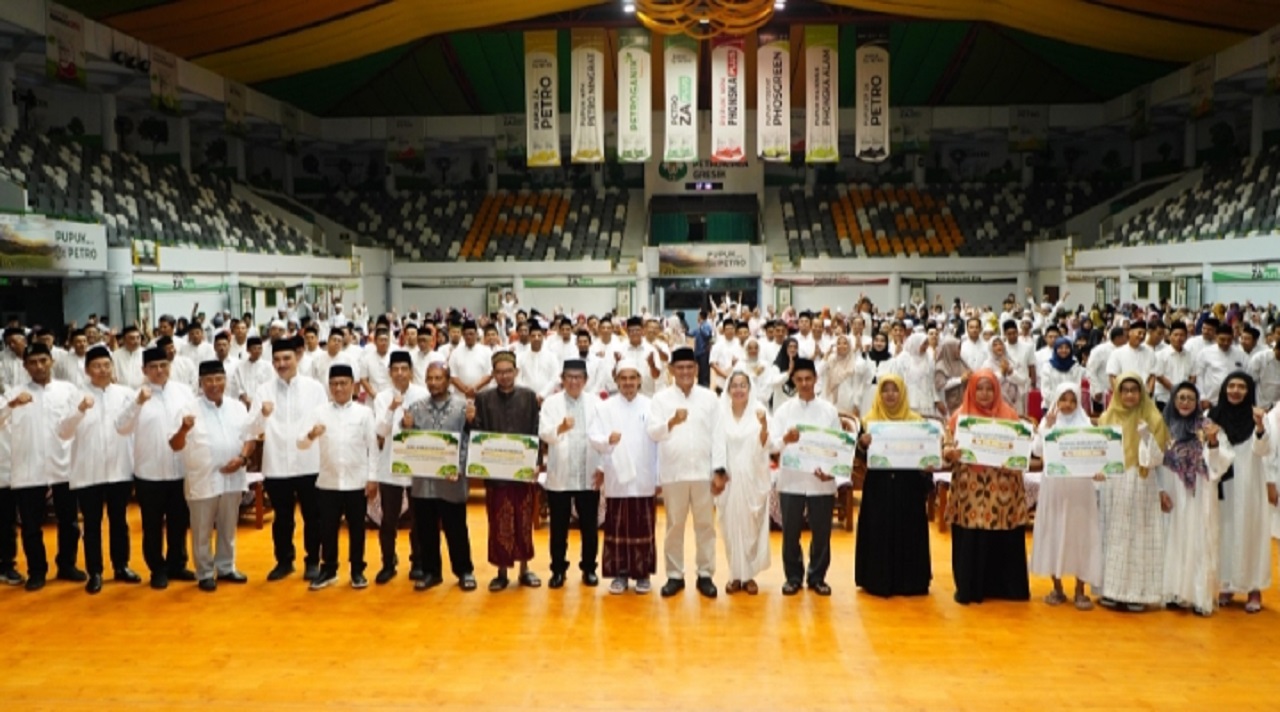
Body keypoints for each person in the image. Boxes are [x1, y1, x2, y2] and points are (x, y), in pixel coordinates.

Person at [1, 342, 85, 591]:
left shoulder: (68, 390)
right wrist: (11, 405)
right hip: (29, 470)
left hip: (63, 467)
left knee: (69, 521)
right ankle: (37, 570)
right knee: (30, 525)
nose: (38, 366)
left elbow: (78, 423)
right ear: (25, 366)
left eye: (43, 360)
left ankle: (67, 564)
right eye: (33, 362)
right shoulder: (12, 393)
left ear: (52, 361)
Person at [943, 369, 1030, 604]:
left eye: (989, 388)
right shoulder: (959, 417)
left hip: (1003, 487)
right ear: (971, 390)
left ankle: (1006, 587)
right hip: (970, 486)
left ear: (996, 390)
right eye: (979, 388)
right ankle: (971, 587)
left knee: (1004, 534)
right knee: (972, 535)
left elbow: (1022, 450)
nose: (984, 394)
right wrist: (950, 453)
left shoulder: (1010, 416)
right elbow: (946, 449)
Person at [59, 345, 140, 594]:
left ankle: (121, 566)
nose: (102, 370)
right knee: (92, 524)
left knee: (119, 520)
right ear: (87, 370)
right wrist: (80, 409)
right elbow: (63, 431)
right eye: (97, 366)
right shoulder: (75, 396)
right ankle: (95, 571)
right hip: (88, 470)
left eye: (106, 365)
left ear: (112, 367)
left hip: (119, 467)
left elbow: (132, 428)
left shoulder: (126, 394)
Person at [116, 346, 197, 589]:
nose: (159, 371)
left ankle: (177, 564)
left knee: (178, 521)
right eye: (153, 367)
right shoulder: (134, 395)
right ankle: (157, 568)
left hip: (180, 469)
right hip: (149, 472)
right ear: (144, 370)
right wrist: (137, 403)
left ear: (169, 366)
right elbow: (122, 427)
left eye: (163, 366)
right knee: (152, 525)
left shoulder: (184, 392)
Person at [170, 361, 255, 592]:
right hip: (203, 479)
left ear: (225, 380)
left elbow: (250, 438)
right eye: (209, 380)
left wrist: (242, 458)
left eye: (219, 379)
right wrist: (184, 430)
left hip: (233, 477)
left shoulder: (238, 407)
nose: (214, 385)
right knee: (201, 530)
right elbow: (175, 445)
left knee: (228, 527)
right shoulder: (188, 408)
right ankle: (205, 572)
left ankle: (226, 567)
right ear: (200, 383)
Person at [250, 336, 329, 582]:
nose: (282, 363)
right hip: (276, 464)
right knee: (282, 518)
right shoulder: (263, 390)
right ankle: (284, 561)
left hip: (309, 462)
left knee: (312, 516)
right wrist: (262, 415)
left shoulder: (314, 388)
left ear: (298, 357)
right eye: (277, 359)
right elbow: (252, 429)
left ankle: (313, 561)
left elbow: (322, 423)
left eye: (287, 358)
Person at [647, 347, 720, 599]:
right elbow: (653, 432)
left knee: (706, 526)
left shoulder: (710, 399)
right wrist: (671, 422)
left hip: (703, 473)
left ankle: (705, 574)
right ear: (671, 371)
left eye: (690, 367)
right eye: (680, 368)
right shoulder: (661, 399)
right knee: (674, 526)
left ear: (697, 369)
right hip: (674, 472)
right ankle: (675, 575)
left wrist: (719, 469)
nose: (686, 372)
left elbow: (718, 437)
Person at [1096, 372, 1171, 612]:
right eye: (1124, 390)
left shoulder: (1153, 417)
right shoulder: (1107, 417)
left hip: (1140, 480)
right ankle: (1111, 590)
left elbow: (1157, 459)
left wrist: (1147, 436)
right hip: (1113, 482)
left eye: (1134, 390)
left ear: (1142, 392)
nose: (1129, 395)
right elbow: (1099, 452)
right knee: (1113, 532)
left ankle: (1137, 593)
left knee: (1138, 534)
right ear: (1117, 392)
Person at [298, 364, 378, 590]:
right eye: (334, 384)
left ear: (353, 386)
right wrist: (311, 434)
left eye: (343, 383)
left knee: (357, 529)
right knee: (328, 528)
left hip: (357, 481)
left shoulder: (364, 413)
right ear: (328, 386)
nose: (338, 388)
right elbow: (300, 443)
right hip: (328, 481)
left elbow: (373, 448)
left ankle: (357, 571)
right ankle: (329, 569)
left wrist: (373, 479)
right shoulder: (319, 412)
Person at [773, 357, 846, 596]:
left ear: (816, 380)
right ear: (793, 381)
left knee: (822, 532)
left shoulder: (829, 411)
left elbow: (840, 447)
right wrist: (786, 439)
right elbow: (773, 445)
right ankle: (793, 577)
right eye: (799, 379)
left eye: (808, 379)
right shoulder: (784, 411)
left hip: (821, 481)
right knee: (790, 532)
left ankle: (817, 576)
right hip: (792, 479)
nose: (804, 383)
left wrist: (832, 471)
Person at [855, 373, 933, 597]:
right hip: (879, 488)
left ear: (903, 392)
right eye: (885, 390)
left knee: (909, 531)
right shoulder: (869, 421)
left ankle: (911, 582)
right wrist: (862, 444)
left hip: (908, 487)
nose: (890, 395)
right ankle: (877, 580)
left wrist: (928, 463)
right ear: (879, 394)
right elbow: (859, 459)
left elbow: (927, 456)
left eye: (895, 389)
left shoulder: (917, 422)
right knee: (879, 531)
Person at [470, 351, 542, 592]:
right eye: (499, 372)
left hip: (522, 472)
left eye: (508, 371)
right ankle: (501, 572)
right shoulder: (483, 399)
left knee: (523, 521)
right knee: (499, 522)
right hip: (496, 474)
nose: (504, 376)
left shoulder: (529, 397)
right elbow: (477, 434)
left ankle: (524, 569)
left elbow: (535, 431)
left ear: (516, 372)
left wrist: (537, 462)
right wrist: (470, 421)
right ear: (493, 375)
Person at [402, 361, 476, 591]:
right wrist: (406, 428)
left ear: (448, 380)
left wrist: (459, 467)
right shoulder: (415, 408)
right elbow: (406, 444)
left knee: (456, 528)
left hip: (451, 480)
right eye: (430, 378)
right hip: (424, 483)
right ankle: (431, 572)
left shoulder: (463, 408)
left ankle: (464, 571)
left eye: (438, 378)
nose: (433, 383)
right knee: (425, 529)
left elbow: (469, 441)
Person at [1160, 382, 1232, 616]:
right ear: (1173, 399)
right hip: (1173, 489)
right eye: (1180, 397)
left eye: (1190, 398)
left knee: (1200, 540)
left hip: (1200, 490)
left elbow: (1221, 462)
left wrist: (1212, 442)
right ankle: (1174, 592)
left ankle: (1199, 597)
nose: (1185, 402)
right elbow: (1156, 461)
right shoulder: (1165, 426)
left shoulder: (1207, 425)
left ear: (1197, 402)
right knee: (1175, 538)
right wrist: (1160, 490)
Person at [1029, 382, 1103, 610]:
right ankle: (1057, 587)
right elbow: (1038, 452)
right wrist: (1047, 428)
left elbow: (1098, 455)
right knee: (1055, 532)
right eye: (1063, 399)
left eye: (1072, 400)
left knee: (1081, 536)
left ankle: (1081, 590)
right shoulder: (1048, 422)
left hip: (1081, 489)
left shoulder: (1087, 425)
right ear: (1056, 401)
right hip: (1055, 488)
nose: (1068, 405)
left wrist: (1100, 472)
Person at [589, 359, 658, 595]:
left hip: (644, 477)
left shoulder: (651, 405)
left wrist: (658, 478)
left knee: (643, 527)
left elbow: (659, 444)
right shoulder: (605, 408)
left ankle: (642, 574)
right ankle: (620, 574)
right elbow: (594, 437)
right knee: (617, 528)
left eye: (632, 378)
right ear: (617, 381)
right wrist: (608, 439)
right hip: (617, 478)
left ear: (639, 380)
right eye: (623, 379)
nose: (628, 383)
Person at [1210, 372, 1273, 613]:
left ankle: (1253, 588)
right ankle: (1227, 584)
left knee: (1250, 534)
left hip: (1249, 485)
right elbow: (1210, 453)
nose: (1235, 391)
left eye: (1241, 387)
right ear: (1225, 388)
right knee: (1225, 533)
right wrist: (1213, 440)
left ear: (1249, 391)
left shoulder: (1258, 417)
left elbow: (1264, 449)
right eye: (1232, 386)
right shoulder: (1213, 416)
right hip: (1224, 484)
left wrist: (1258, 426)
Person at [539, 359, 603, 588]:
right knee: (558, 527)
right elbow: (544, 433)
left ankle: (589, 569)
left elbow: (603, 437)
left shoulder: (596, 403)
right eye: (569, 377)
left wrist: (602, 467)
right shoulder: (551, 403)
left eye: (578, 377)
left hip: (588, 473)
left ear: (585, 380)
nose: (574, 381)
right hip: (561, 475)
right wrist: (560, 429)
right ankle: (557, 570)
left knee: (589, 526)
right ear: (562, 380)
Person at [711, 370, 774, 595]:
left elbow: (768, 445)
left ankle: (748, 576)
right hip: (728, 479)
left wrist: (764, 425)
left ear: (749, 388)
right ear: (728, 390)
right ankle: (734, 575)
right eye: (734, 385)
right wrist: (717, 473)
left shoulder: (760, 411)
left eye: (743, 385)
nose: (738, 389)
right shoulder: (720, 414)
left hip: (752, 478)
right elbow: (716, 445)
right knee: (729, 528)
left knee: (751, 529)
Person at [371, 351, 427, 584]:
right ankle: (387, 561)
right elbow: (381, 432)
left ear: (411, 371)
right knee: (388, 518)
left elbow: (429, 430)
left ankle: (418, 561)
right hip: (390, 465)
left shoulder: (423, 395)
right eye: (396, 369)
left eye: (404, 369)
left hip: (416, 464)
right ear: (389, 372)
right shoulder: (382, 398)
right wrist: (392, 409)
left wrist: (414, 425)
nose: (400, 373)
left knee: (419, 517)